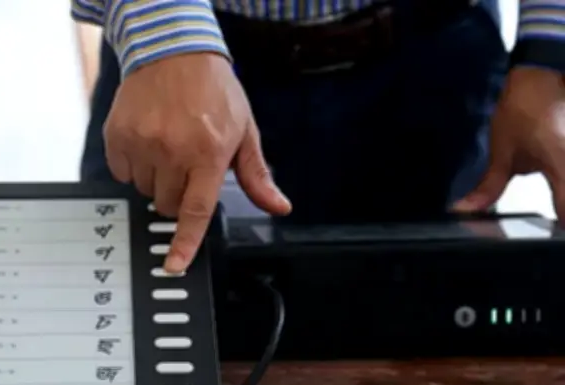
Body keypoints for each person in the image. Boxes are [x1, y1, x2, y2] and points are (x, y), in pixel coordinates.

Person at [72, 0, 565, 272]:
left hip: (429, 61)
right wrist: (163, 30)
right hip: (185, 50)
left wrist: (548, 47)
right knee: (132, 319)